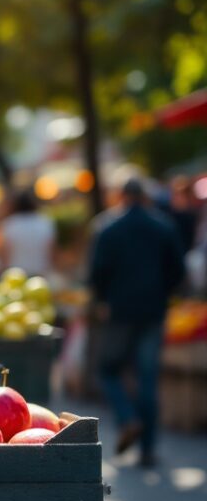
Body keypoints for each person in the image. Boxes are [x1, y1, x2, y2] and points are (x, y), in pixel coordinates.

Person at [89, 179, 185, 468]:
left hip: (120, 311)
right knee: (147, 379)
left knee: (107, 370)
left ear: (121, 196)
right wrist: (162, 293)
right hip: (153, 311)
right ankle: (147, 449)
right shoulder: (163, 226)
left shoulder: (108, 227)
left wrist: (105, 299)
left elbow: (98, 273)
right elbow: (178, 270)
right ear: (144, 197)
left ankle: (127, 417)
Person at [0, 189, 55, 277]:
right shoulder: (45, 222)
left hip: (16, 274)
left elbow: (5, 254)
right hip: (41, 272)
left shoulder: (9, 224)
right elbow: (50, 250)